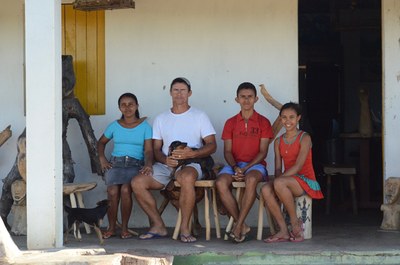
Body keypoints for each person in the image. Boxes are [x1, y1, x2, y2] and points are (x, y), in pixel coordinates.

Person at [131, 77, 217, 243]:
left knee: (186, 177)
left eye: (183, 90)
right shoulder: (161, 118)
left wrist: (192, 154)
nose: (179, 94)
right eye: (176, 90)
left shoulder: (199, 116)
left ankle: (185, 228)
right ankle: (158, 225)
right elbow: (156, 149)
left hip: (191, 163)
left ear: (189, 93)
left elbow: (212, 145)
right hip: (166, 165)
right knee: (137, 182)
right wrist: (165, 160)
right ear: (170, 92)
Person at [216, 82, 274, 243]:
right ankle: (242, 226)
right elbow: (227, 151)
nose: (246, 100)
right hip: (235, 165)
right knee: (220, 182)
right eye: (243, 97)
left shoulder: (263, 122)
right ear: (237, 99)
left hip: (255, 166)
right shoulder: (230, 122)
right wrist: (235, 167)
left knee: (251, 179)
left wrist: (246, 168)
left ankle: (238, 225)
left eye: (250, 97)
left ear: (256, 99)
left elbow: (263, 152)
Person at [261, 102, 323, 243]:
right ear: (280, 119)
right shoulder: (278, 141)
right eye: (284, 117)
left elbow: (298, 165)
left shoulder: (305, 138)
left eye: (291, 117)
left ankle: (295, 225)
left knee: (279, 182)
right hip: (287, 181)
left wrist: (278, 181)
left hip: (306, 180)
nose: (287, 121)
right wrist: (276, 182)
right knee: (265, 189)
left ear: (298, 118)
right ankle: (283, 230)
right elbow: (277, 168)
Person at [98, 93, 153, 239]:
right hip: (115, 164)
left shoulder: (145, 127)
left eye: (131, 104)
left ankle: (124, 228)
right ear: (119, 108)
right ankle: (110, 228)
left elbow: (148, 150)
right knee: (112, 191)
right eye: (123, 104)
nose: (127, 107)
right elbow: (100, 143)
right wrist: (102, 159)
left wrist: (148, 164)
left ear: (136, 106)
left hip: (135, 165)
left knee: (126, 189)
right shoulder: (114, 125)